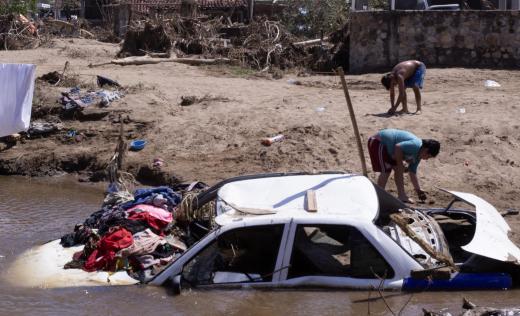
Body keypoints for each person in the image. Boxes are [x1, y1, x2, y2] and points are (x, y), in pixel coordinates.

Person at [367, 128, 440, 203]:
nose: (427, 159)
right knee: (387, 170)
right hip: (379, 142)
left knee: (398, 170)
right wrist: (400, 165)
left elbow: (412, 172)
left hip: (390, 149)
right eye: (429, 156)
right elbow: (398, 147)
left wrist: (418, 189)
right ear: (425, 150)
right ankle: (379, 196)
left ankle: (402, 196)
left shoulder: (418, 156)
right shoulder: (416, 145)